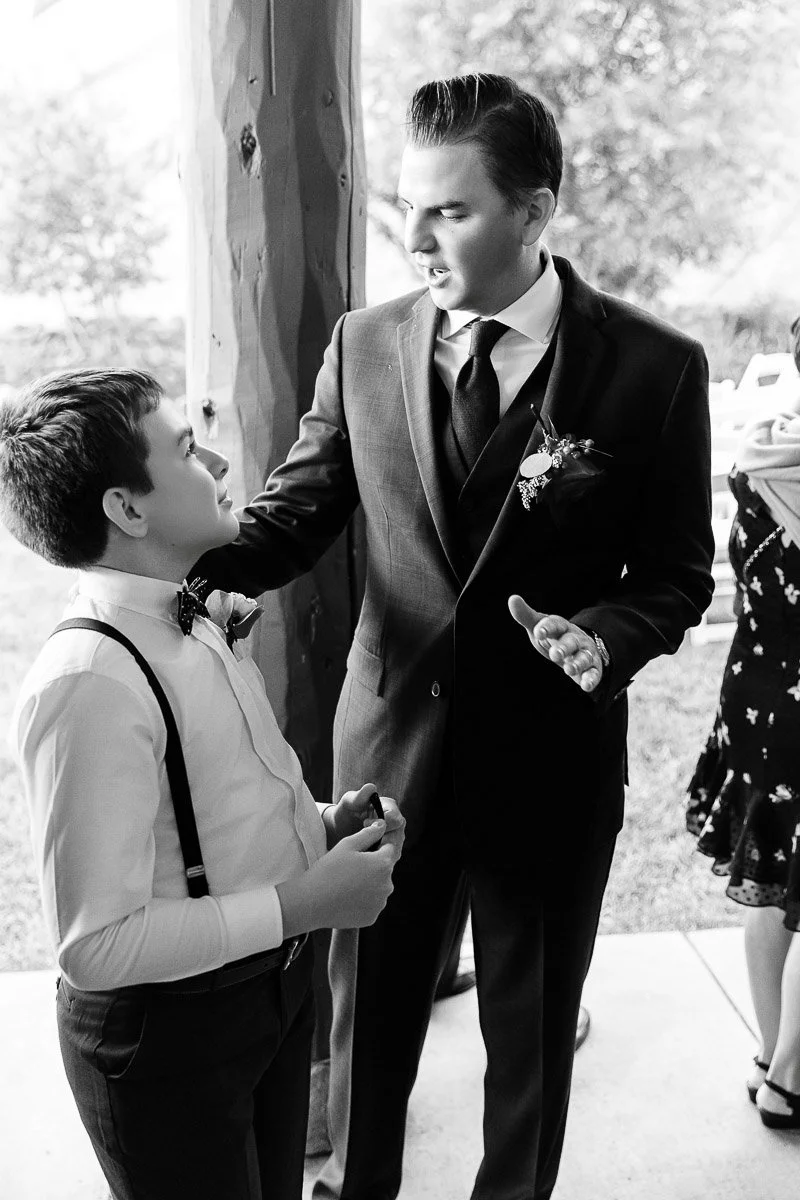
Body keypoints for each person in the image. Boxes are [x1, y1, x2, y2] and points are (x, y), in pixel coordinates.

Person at [196, 73, 714, 1200]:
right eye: (410, 206)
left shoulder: (652, 366)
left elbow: (677, 572)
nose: (419, 236)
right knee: (369, 1020)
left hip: (550, 762)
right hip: (386, 757)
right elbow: (296, 511)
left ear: (534, 210)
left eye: (453, 210)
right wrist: (188, 558)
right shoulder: (364, 342)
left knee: (525, 1050)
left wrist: (607, 636)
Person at [0, 368, 404, 1200]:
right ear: (128, 509)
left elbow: (213, 806)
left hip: (270, 990)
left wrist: (321, 826)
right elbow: (93, 947)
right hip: (167, 1035)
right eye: (186, 448)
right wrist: (305, 905)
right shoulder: (90, 683)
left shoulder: (194, 614)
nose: (217, 460)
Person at [687, 344, 800, 1131]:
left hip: (758, 696)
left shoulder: (761, 460)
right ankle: (791, 1079)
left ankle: (771, 1054)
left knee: (771, 880)